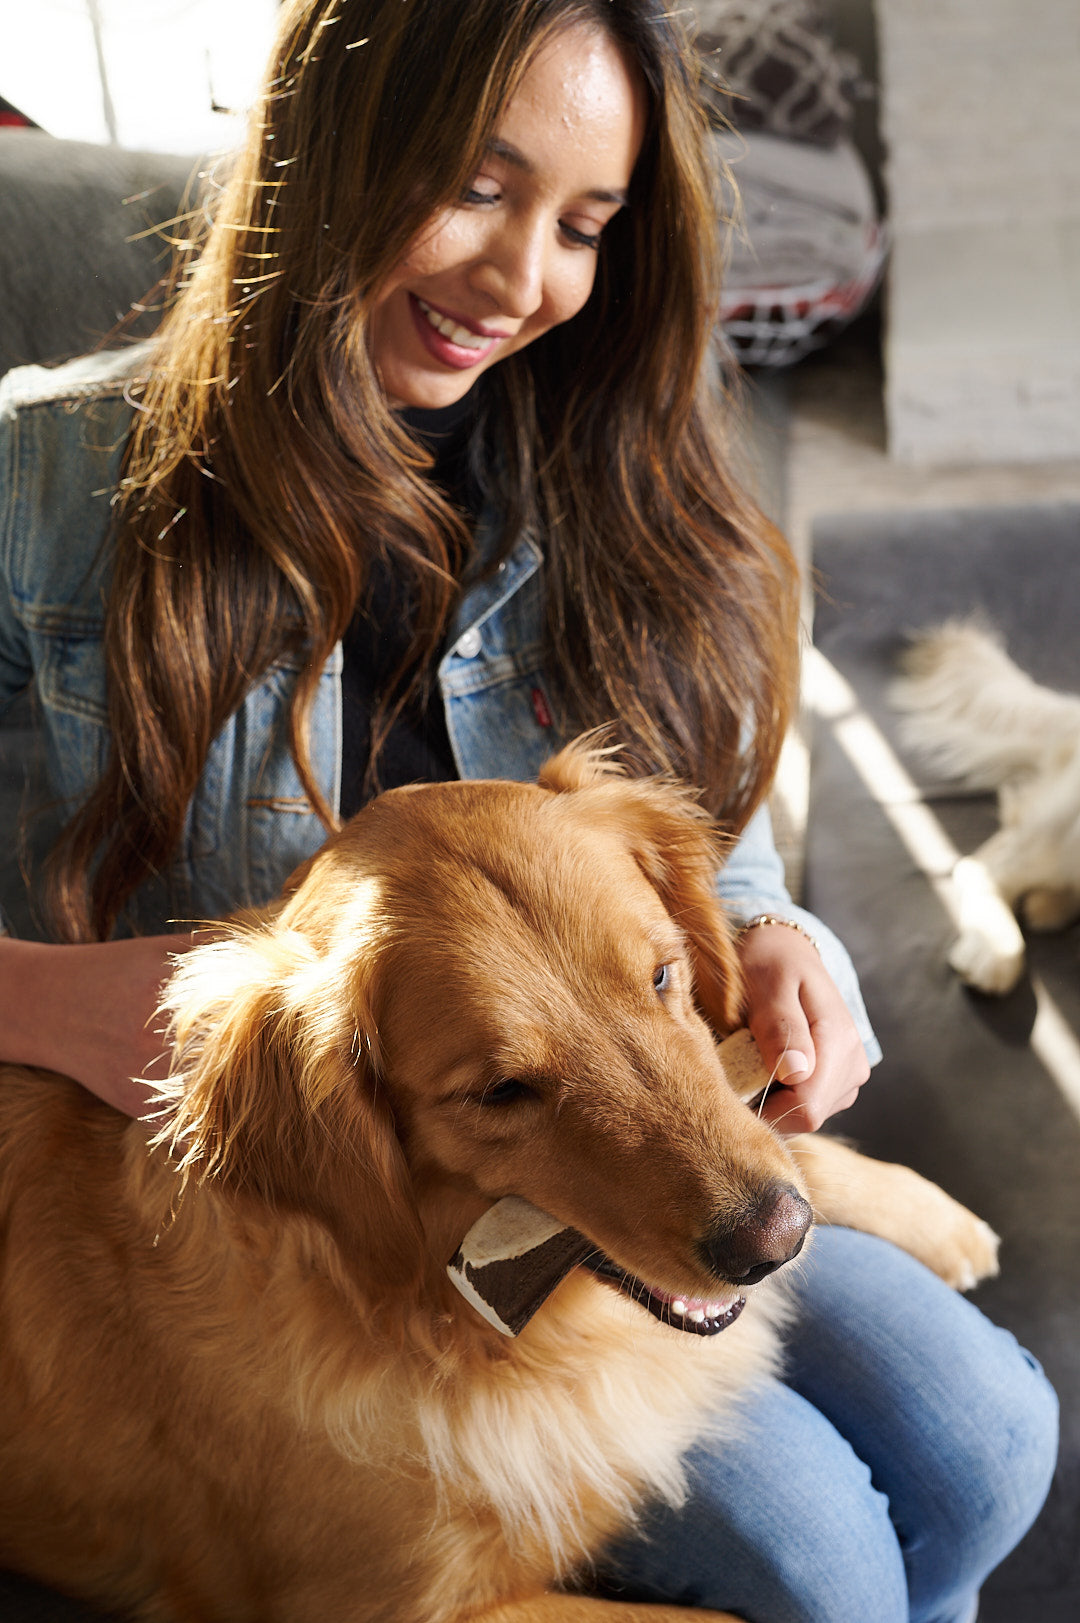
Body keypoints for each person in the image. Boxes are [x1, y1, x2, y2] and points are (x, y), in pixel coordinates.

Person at [0, 2, 1057, 1619]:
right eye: (478, 190)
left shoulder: (610, 444)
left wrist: (765, 927)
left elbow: (696, 793)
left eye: (582, 225)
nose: (521, 286)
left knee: (988, 1439)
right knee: (823, 1565)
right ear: (324, 155)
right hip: (306, 1206)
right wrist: (47, 996)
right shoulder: (40, 477)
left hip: (592, 1141)